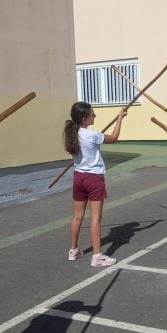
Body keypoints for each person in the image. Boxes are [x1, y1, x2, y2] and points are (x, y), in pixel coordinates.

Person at [63, 101, 126, 267]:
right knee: (95, 219)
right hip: (93, 178)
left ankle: (73, 251)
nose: (95, 116)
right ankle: (97, 257)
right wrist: (120, 119)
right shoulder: (92, 135)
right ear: (84, 118)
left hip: (79, 177)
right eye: (92, 113)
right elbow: (113, 138)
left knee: (77, 216)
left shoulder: (73, 133)